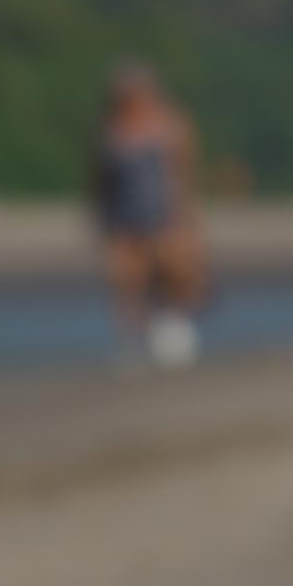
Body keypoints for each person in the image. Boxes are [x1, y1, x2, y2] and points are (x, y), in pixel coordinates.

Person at [90, 61, 209, 366]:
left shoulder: (170, 124)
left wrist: (185, 215)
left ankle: (173, 328)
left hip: (163, 212)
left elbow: (184, 171)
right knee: (127, 281)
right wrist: (98, 213)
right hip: (121, 215)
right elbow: (98, 178)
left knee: (172, 275)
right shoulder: (110, 130)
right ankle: (133, 342)